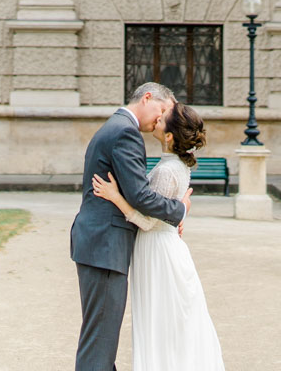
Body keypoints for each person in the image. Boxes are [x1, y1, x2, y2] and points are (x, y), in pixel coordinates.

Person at [91, 103, 225, 371]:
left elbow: (148, 222)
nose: (157, 118)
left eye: (162, 119)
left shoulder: (166, 170)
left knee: (160, 321)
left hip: (158, 251)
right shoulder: (175, 165)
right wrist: (178, 215)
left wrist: (116, 197)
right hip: (164, 246)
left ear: (169, 137)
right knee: (170, 322)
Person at [70, 82, 191, 371]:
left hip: (99, 244)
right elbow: (140, 195)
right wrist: (180, 210)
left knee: (100, 340)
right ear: (147, 98)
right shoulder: (126, 131)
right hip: (105, 246)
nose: (159, 120)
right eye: (161, 110)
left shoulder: (115, 126)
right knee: (99, 344)